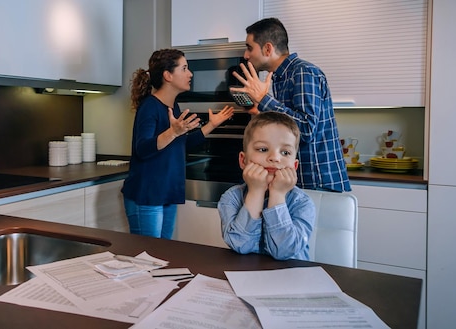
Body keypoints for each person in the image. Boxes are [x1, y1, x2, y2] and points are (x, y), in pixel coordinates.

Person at [121, 48, 234, 239]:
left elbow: (180, 145)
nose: (190, 74)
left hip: (166, 192)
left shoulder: (174, 106)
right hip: (148, 195)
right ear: (168, 75)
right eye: (184, 68)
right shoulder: (150, 107)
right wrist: (173, 132)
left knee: (163, 255)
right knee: (147, 258)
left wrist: (211, 125)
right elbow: (142, 149)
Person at [230, 17, 351, 192]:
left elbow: (306, 129)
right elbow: (289, 126)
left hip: (318, 181)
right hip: (301, 179)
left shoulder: (303, 72)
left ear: (268, 48)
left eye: (249, 47)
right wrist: (260, 111)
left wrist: (264, 99)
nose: (246, 55)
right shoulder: (281, 77)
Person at [218, 111, 315, 260]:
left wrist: (278, 195)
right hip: (247, 277)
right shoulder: (231, 198)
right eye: (263, 149)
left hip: (291, 279)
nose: (275, 158)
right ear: (243, 160)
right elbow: (240, 245)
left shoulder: (302, 202)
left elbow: (285, 251)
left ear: (294, 166)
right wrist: (256, 192)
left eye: (285, 152)